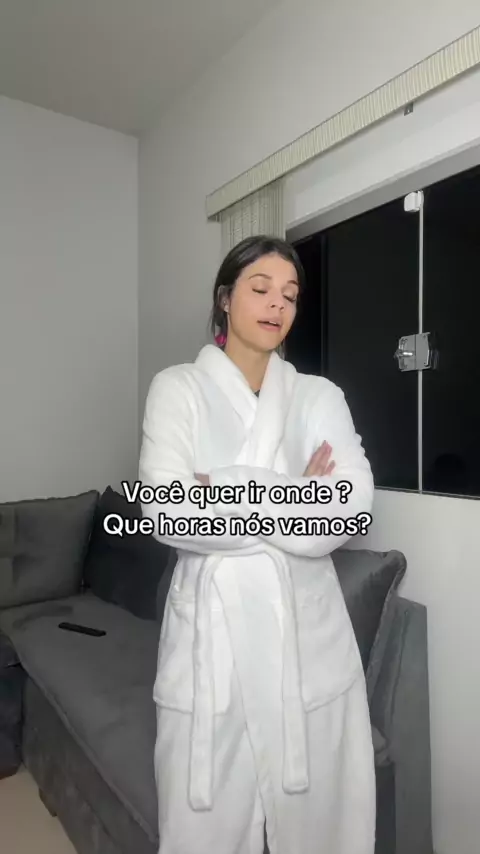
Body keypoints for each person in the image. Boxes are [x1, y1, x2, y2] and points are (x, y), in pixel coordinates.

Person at [138, 235, 376, 854]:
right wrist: (296, 493)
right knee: (203, 831)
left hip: (306, 640)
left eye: (290, 296)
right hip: (211, 643)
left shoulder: (318, 396)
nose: (277, 305)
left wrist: (222, 488)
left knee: (324, 827)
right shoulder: (177, 389)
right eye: (261, 288)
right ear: (225, 299)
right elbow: (166, 512)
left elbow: (350, 510)